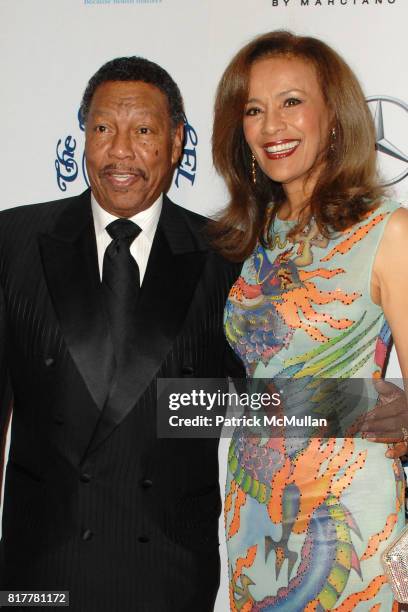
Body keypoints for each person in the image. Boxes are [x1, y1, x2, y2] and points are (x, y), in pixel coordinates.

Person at [0, 56, 243, 612]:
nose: (120, 152)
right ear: (83, 137)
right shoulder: (13, 242)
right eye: (103, 129)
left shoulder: (225, 254)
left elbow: (255, 404)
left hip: (169, 569)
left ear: (177, 141)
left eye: (144, 131)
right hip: (39, 575)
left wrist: (361, 409)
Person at [212, 31, 408, 611]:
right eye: (254, 109)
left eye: (292, 102)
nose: (273, 125)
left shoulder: (387, 232)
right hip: (256, 516)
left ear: (335, 115)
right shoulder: (250, 239)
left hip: (352, 514)